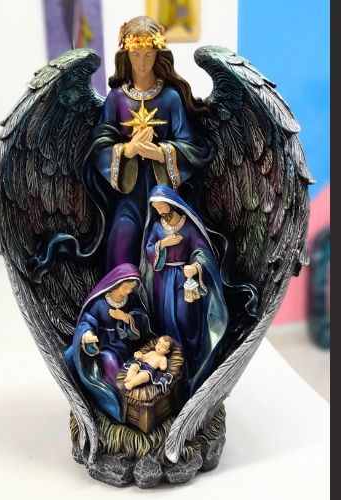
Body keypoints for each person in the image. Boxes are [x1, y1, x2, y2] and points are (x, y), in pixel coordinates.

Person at [86, 16, 214, 270]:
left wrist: (162, 153)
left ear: (158, 54)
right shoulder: (116, 99)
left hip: (165, 196)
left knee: (169, 248)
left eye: (148, 54)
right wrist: (127, 149)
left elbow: (192, 146)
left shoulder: (171, 97)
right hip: (128, 196)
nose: (142, 63)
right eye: (136, 55)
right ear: (126, 55)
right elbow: (98, 146)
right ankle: (123, 293)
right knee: (121, 242)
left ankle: (164, 294)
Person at [141, 184, 229, 395]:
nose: (158, 210)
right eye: (155, 207)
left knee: (186, 319)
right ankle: (173, 369)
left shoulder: (188, 227)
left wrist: (196, 267)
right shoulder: (157, 227)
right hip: (162, 281)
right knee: (166, 321)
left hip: (183, 279)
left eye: (161, 205)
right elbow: (148, 250)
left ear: (170, 203)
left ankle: (191, 364)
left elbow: (203, 253)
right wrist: (162, 244)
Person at [64, 263, 152, 422]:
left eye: (133, 287)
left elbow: (140, 318)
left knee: (124, 363)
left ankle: (129, 400)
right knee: (107, 361)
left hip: (121, 343)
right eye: (128, 286)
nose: (130, 290)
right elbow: (88, 321)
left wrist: (126, 318)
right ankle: (116, 401)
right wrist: (87, 334)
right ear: (118, 283)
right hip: (103, 343)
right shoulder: (100, 303)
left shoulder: (130, 300)